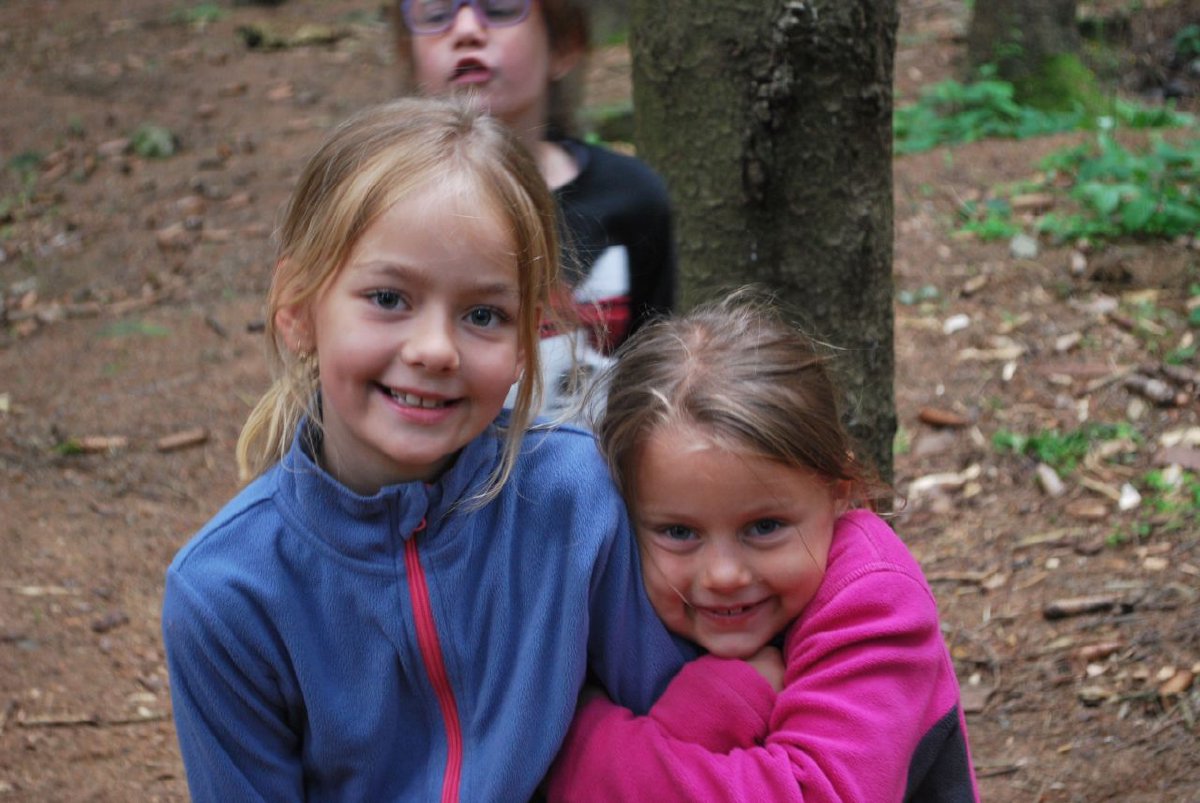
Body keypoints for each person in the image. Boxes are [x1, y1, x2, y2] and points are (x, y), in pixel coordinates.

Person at [160, 96, 687, 802]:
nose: (435, 349)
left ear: (529, 337)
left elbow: (675, 721)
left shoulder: (580, 499)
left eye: (483, 314)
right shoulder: (227, 592)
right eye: (388, 298)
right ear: (298, 306)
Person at [547, 295, 980, 802]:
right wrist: (713, 708)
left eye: (765, 527)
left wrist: (574, 747)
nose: (723, 575)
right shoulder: (605, 577)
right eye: (680, 533)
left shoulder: (876, 601)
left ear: (838, 493)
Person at [392, 0, 677, 414]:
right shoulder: (384, 201)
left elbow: (654, 379)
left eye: (501, 8)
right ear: (409, 53)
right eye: (436, 12)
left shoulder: (632, 197)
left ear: (563, 44)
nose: (467, 29)